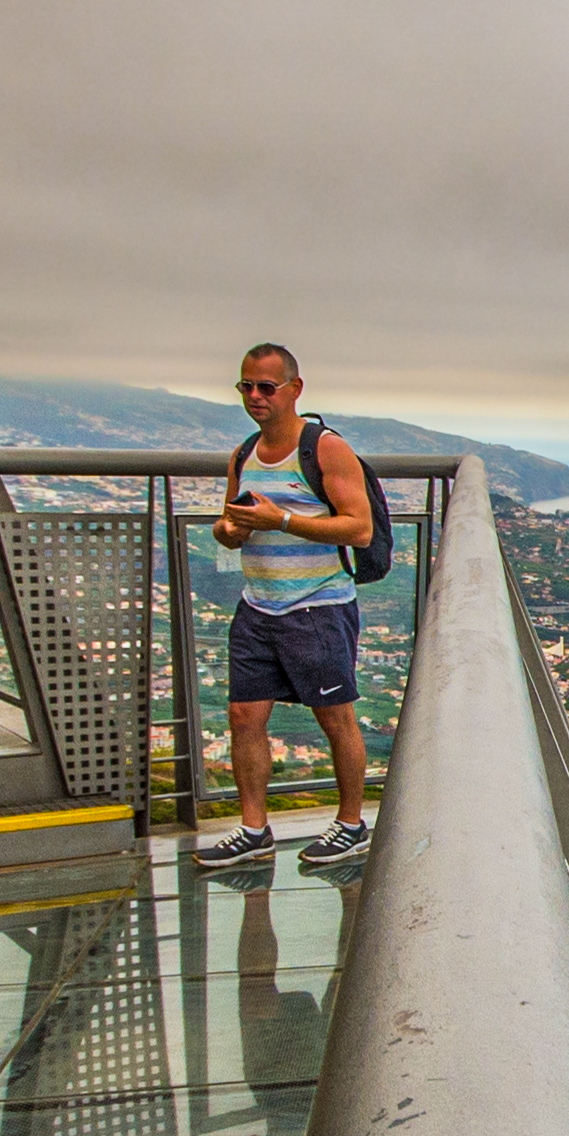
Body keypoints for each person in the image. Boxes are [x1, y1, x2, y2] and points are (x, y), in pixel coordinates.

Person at [196, 342, 377, 870]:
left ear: (294, 390)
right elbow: (228, 528)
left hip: (317, 607)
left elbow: (359, 529)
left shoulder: (325, 449)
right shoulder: (243, 454)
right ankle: (255, 829)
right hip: (259, 607)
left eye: (266, 387)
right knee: (243, 716)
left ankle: (351, 824)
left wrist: (284, 521)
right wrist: (228, 529)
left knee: (335, 717)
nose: (255, 396)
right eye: (246, 386)